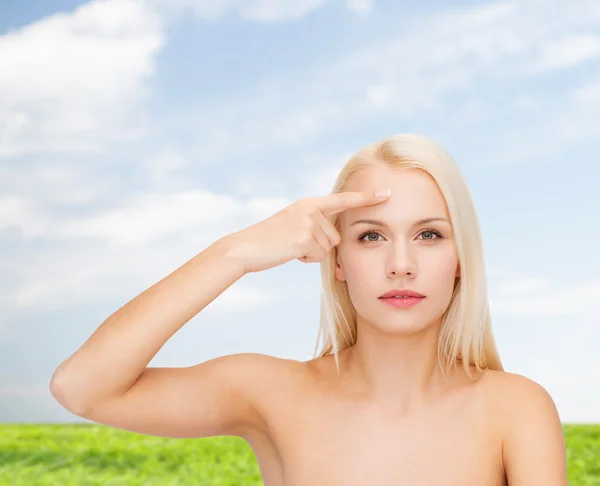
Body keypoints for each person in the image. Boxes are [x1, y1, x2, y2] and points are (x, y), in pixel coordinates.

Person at [49, 133, 569, 485]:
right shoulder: (271, 393)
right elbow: (82, 388)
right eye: (370, 236)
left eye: (429, 235)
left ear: (461, 259)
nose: (401, 265)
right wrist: (236, 252)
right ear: (337, 259)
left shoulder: (516, 408)